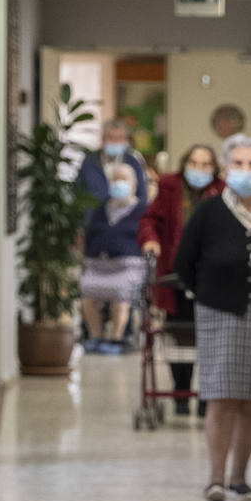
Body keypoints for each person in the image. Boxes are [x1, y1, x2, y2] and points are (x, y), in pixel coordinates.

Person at [174, 133, 251, 501]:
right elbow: (184, 265)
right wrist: (213, 295)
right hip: (219, 313)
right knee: (221, 398)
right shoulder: (208, 212)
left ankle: (240, 478)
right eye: (239, 164)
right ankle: (215, 479)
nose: (246, 171)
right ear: (226, 169)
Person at [139, 144, 226, 414]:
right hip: (175, 275)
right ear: (184, 163)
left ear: (213, 169)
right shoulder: (169, 186)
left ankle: (205, 398)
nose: (199, 170)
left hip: (213, 279)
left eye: (205, 165)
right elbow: (149, 220)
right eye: (194, 163)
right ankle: (180, 393)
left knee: (209, 338)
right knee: (179, 335)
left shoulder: (223, 190)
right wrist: (151, 240)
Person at [78, 119, 149, 350]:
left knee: (122, 292)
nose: (116, 143)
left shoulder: (132, 162)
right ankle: (94, 336)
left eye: (120, 139)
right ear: (103, 139)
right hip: (96, 233)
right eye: (112, 138)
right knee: (90, 287)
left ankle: (121, 336)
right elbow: (78, 193)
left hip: (126, 255)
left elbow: (143, 195)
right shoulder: (90, 162)